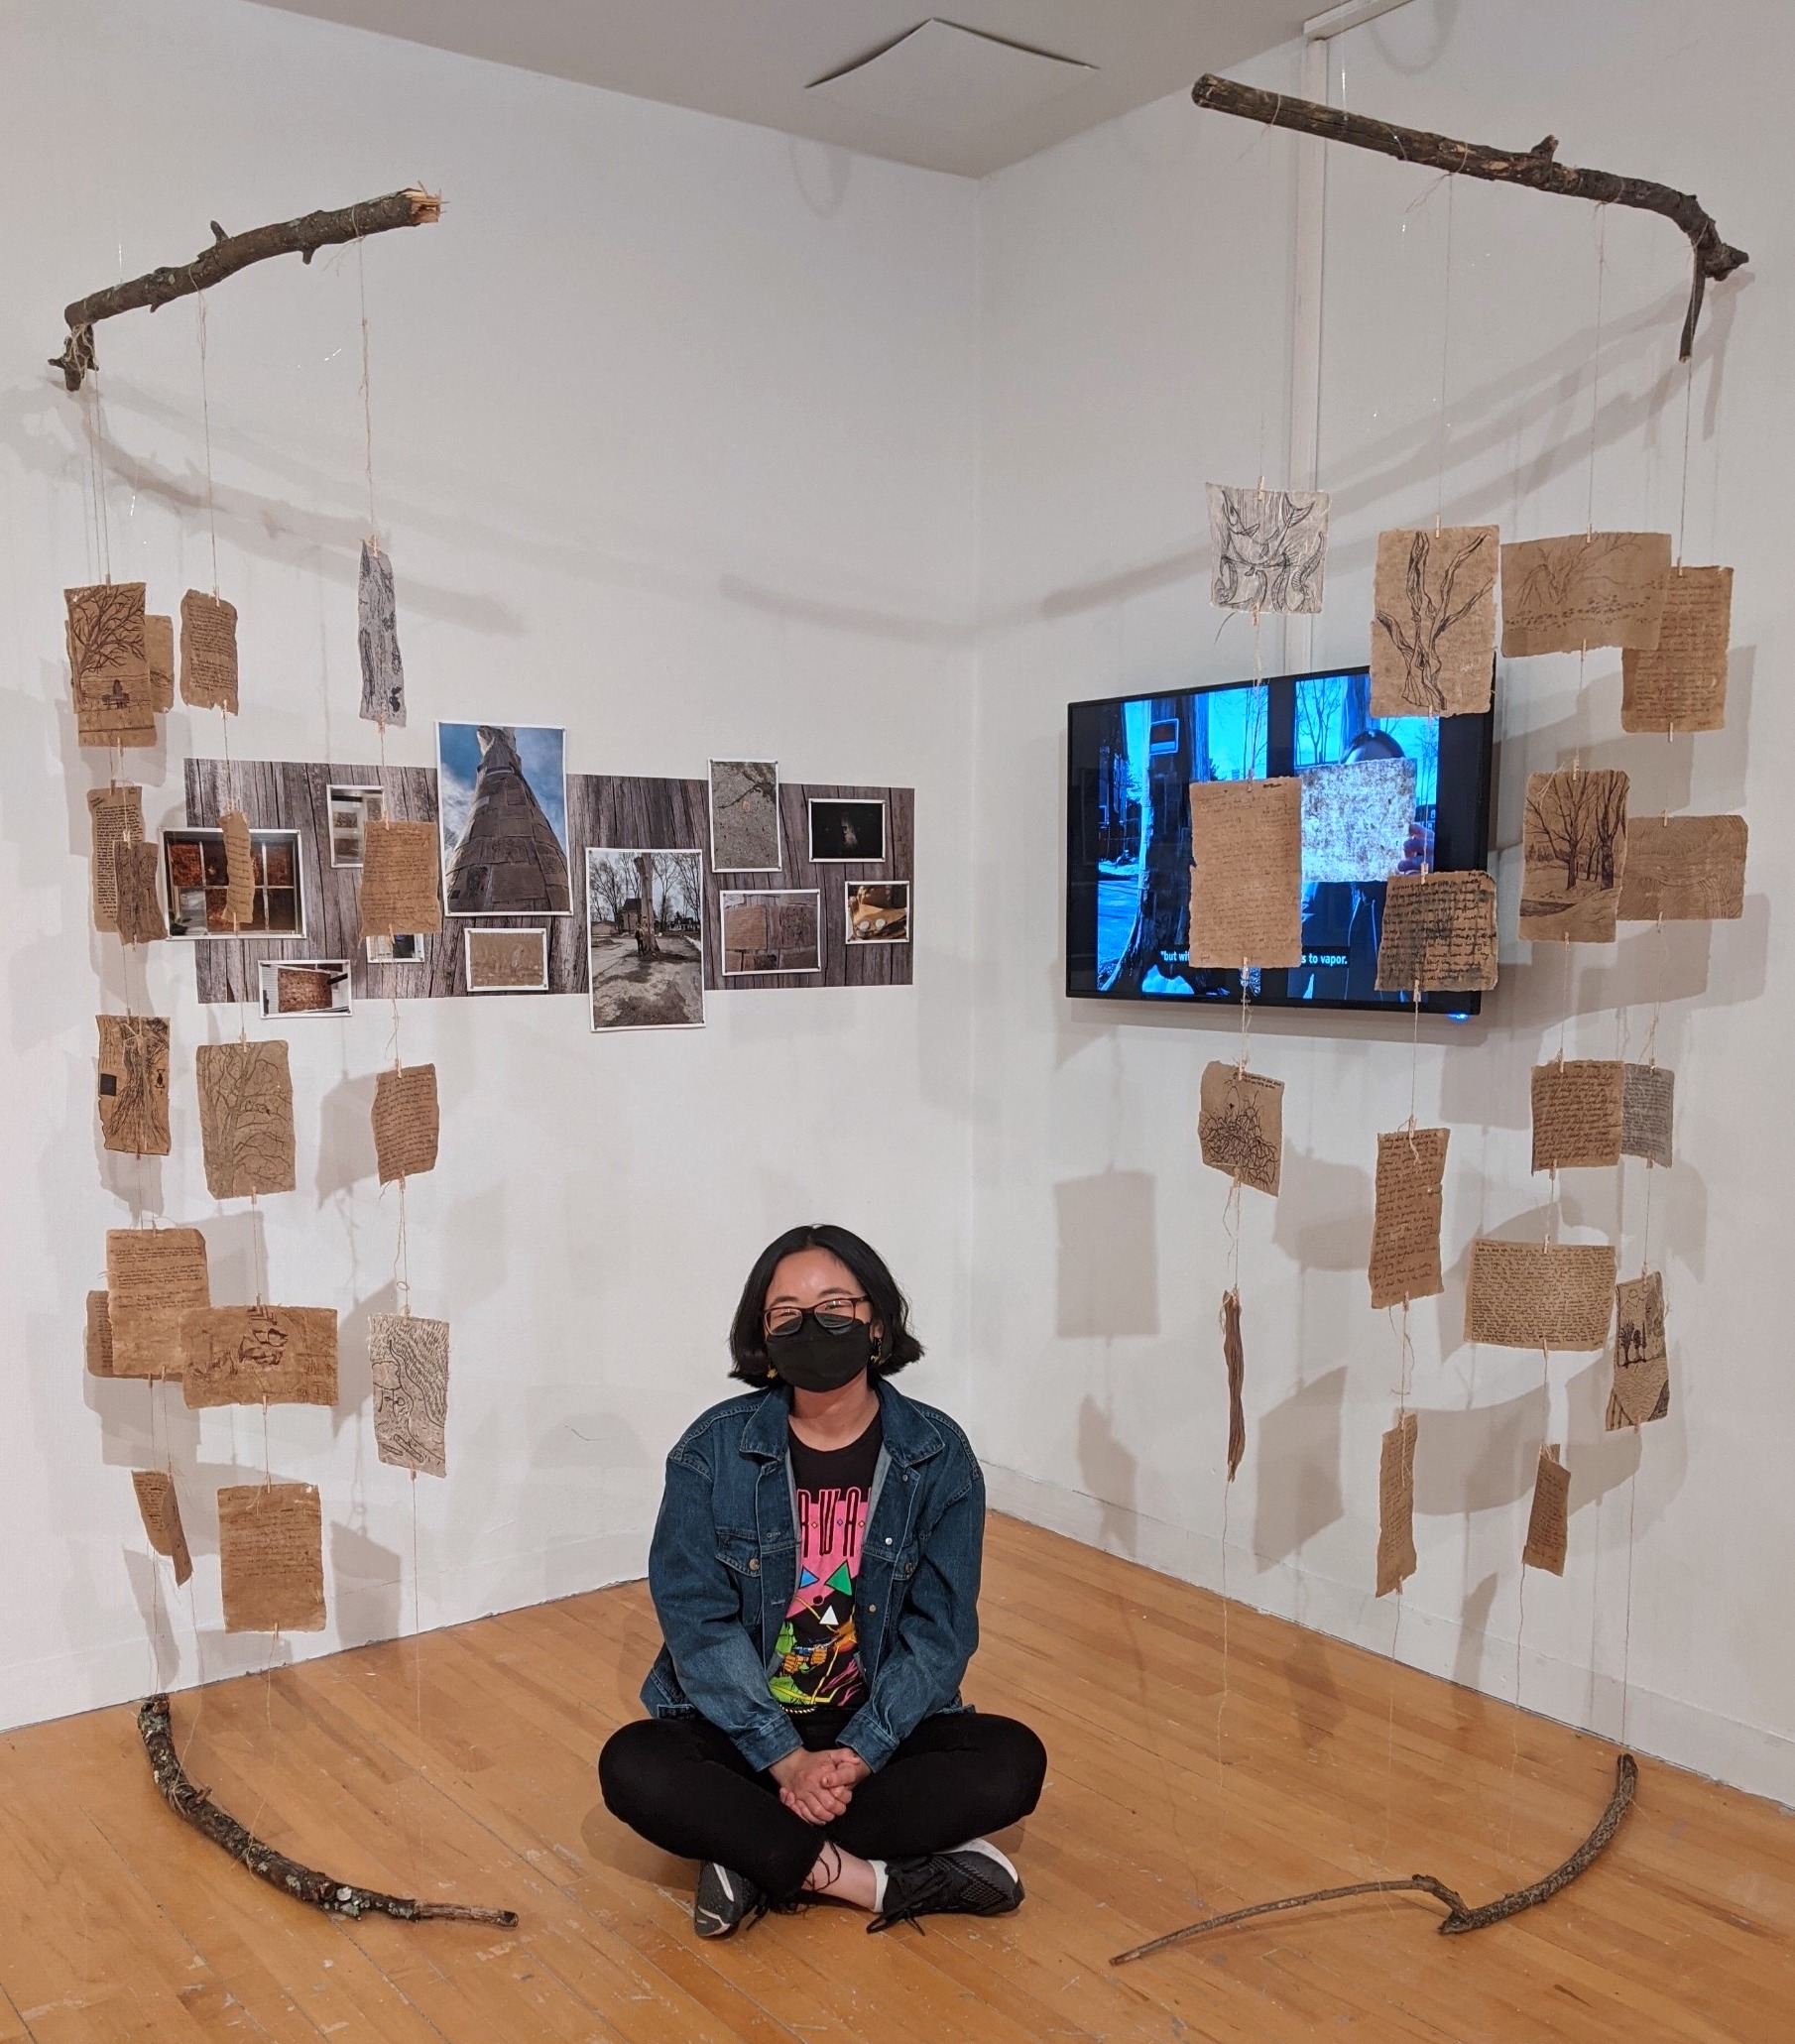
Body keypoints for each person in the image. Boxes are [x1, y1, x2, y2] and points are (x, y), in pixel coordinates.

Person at [598, 1224, 1048, 1940]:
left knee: (1012, 1762)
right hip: (743, 1732)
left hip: (878, 1732)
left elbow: (942, 1633)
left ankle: (755, 1851)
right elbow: (697, 1624)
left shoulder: (938, 1455)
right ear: (762, 1336)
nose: (813, 1325)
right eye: (787, 1313)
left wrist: (860, 1752)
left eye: (836, 1304)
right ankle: (867, 1880)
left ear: (877, 1323)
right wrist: (784, 1758)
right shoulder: (710, 1451)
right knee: (632, 1765)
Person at [1297, 725, 1434, 1002]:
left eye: (1382, 783)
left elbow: (1436, 999)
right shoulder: (1322, 886)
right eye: (1355, 783)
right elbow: (1282, 984)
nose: (1367, 799)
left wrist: (1439, 894)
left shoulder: (1423, 876)